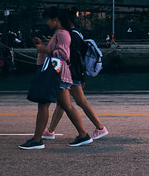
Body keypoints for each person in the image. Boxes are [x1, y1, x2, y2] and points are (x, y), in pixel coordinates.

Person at [19, 7, 93, 150]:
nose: (47, 22)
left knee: (43, 103)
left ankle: (37, 140)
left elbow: (64, 54)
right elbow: (56, 52)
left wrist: (45, 50)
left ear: (56, 20)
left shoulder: (62, 34)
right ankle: (83, 135)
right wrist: (42, 45)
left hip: (57, 74)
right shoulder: (59, 34)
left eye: (48, 19)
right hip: (61, 74)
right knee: (66, 105)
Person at [42, 9, 108, 142]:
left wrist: (79, 77)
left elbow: (73, 58)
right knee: (63, 104)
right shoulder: (75, 34)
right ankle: (50, 131)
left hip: (72, 74)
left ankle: (100, 128)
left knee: (79, 102)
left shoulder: (71, 35)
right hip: (74, 74)